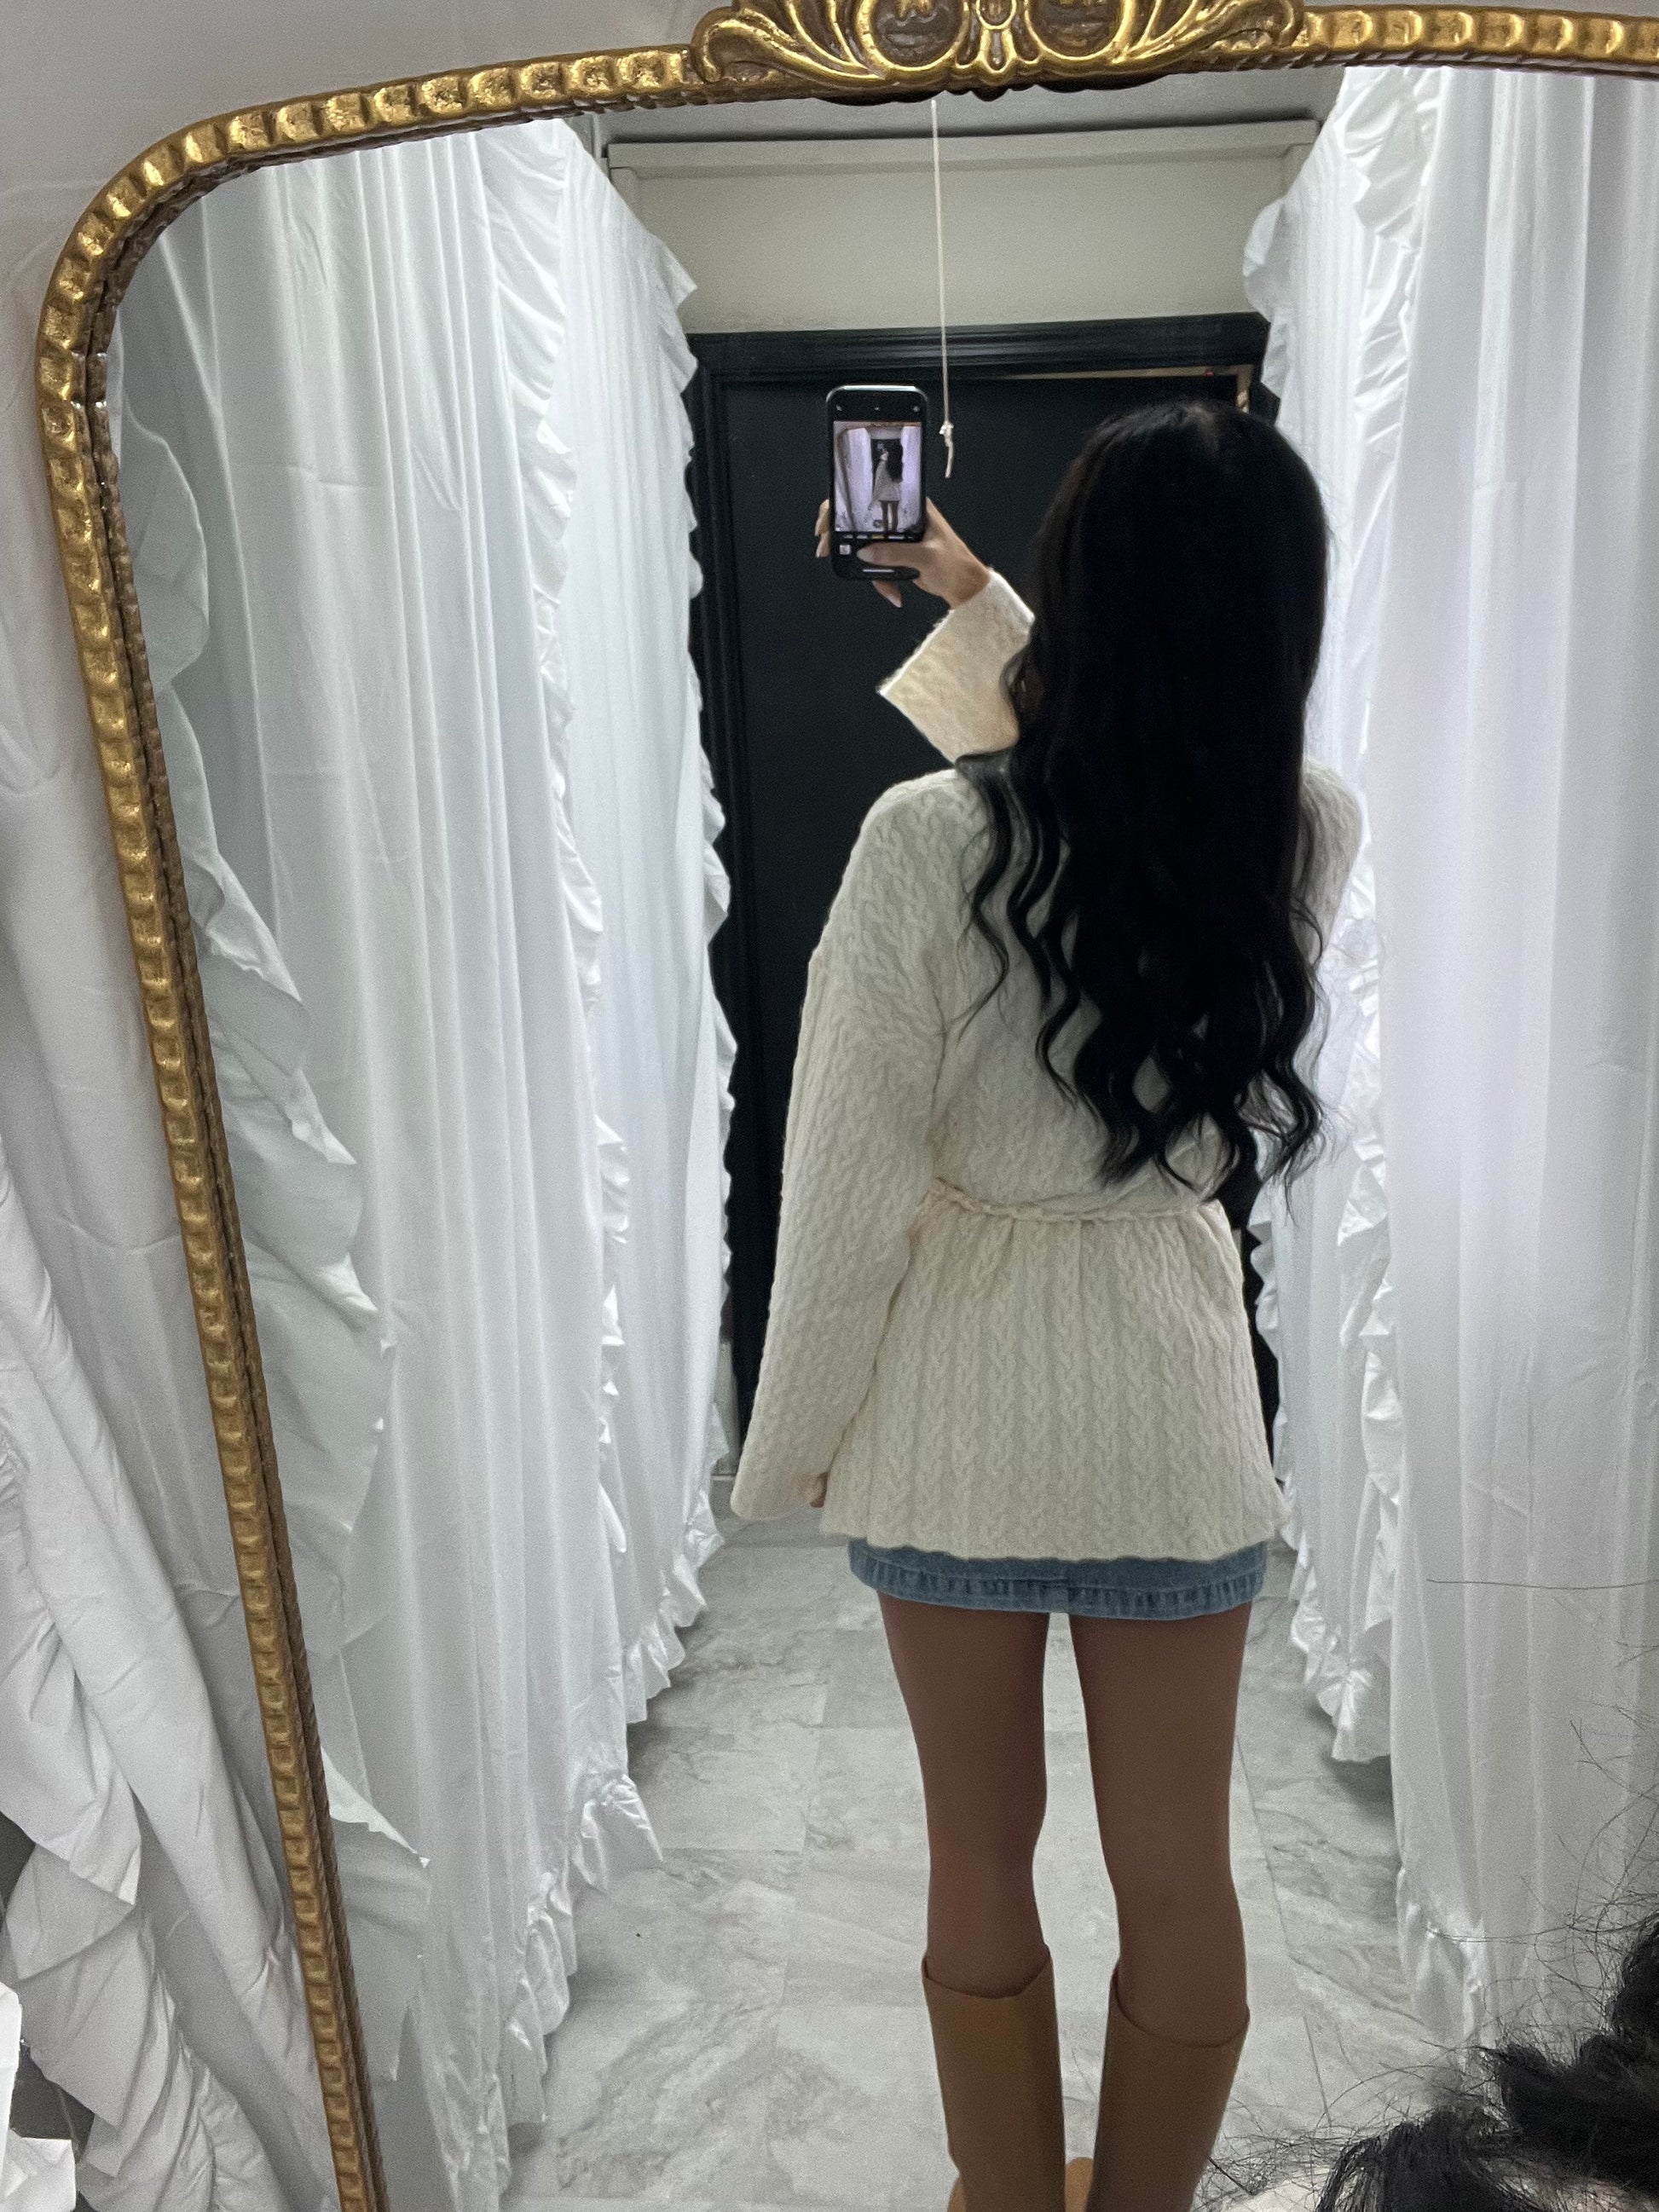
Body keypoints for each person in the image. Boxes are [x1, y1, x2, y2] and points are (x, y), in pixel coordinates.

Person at [731, 400, 1362, 2212]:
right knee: (1180, 1871)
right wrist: (973, 598)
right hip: (1172, 1418)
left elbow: (842, 1195)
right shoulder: (1298, 830)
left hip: (957, 1423)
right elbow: (1126, 793)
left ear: (1078, 595)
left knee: (975, 1849)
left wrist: (787, 1453)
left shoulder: (921, 846)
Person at [870, 430, 906, 534]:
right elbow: (900, 480)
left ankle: (886, 533)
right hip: (895, 493)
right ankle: (894, 532)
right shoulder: (899, 464)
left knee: (885, 515)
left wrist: (875, 495)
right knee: (895, 515)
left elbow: (879, 480)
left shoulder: (882, 464)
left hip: (884, 493)